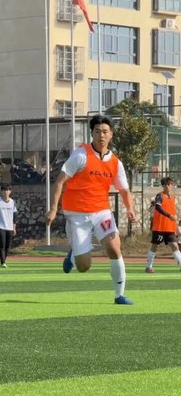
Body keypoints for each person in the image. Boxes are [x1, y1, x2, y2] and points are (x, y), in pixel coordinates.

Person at [46, 114, 136, 305]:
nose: (101, 135)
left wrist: (130, 209)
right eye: (97, 131)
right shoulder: (80, 155)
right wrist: (53, 209)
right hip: (77, 216)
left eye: (105, 132)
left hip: (102, 212)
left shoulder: (115, 162)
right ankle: (73, 255)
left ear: (111, 134)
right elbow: (60, 182)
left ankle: (119, 295)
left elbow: (124, 190)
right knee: (84, 267)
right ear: (92, 133)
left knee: (114, 248)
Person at [145, 177, 181, 273]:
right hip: (160, 227)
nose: (166, 186)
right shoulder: (159, 196)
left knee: (175, 246)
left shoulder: (173, 197)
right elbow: (158, 207)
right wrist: (169, 216)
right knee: (155, 246)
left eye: (168, 184)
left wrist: (175, 223)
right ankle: (148, 267)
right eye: (164, 185)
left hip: (170, 227)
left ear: (172, 185)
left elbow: (172, 211)